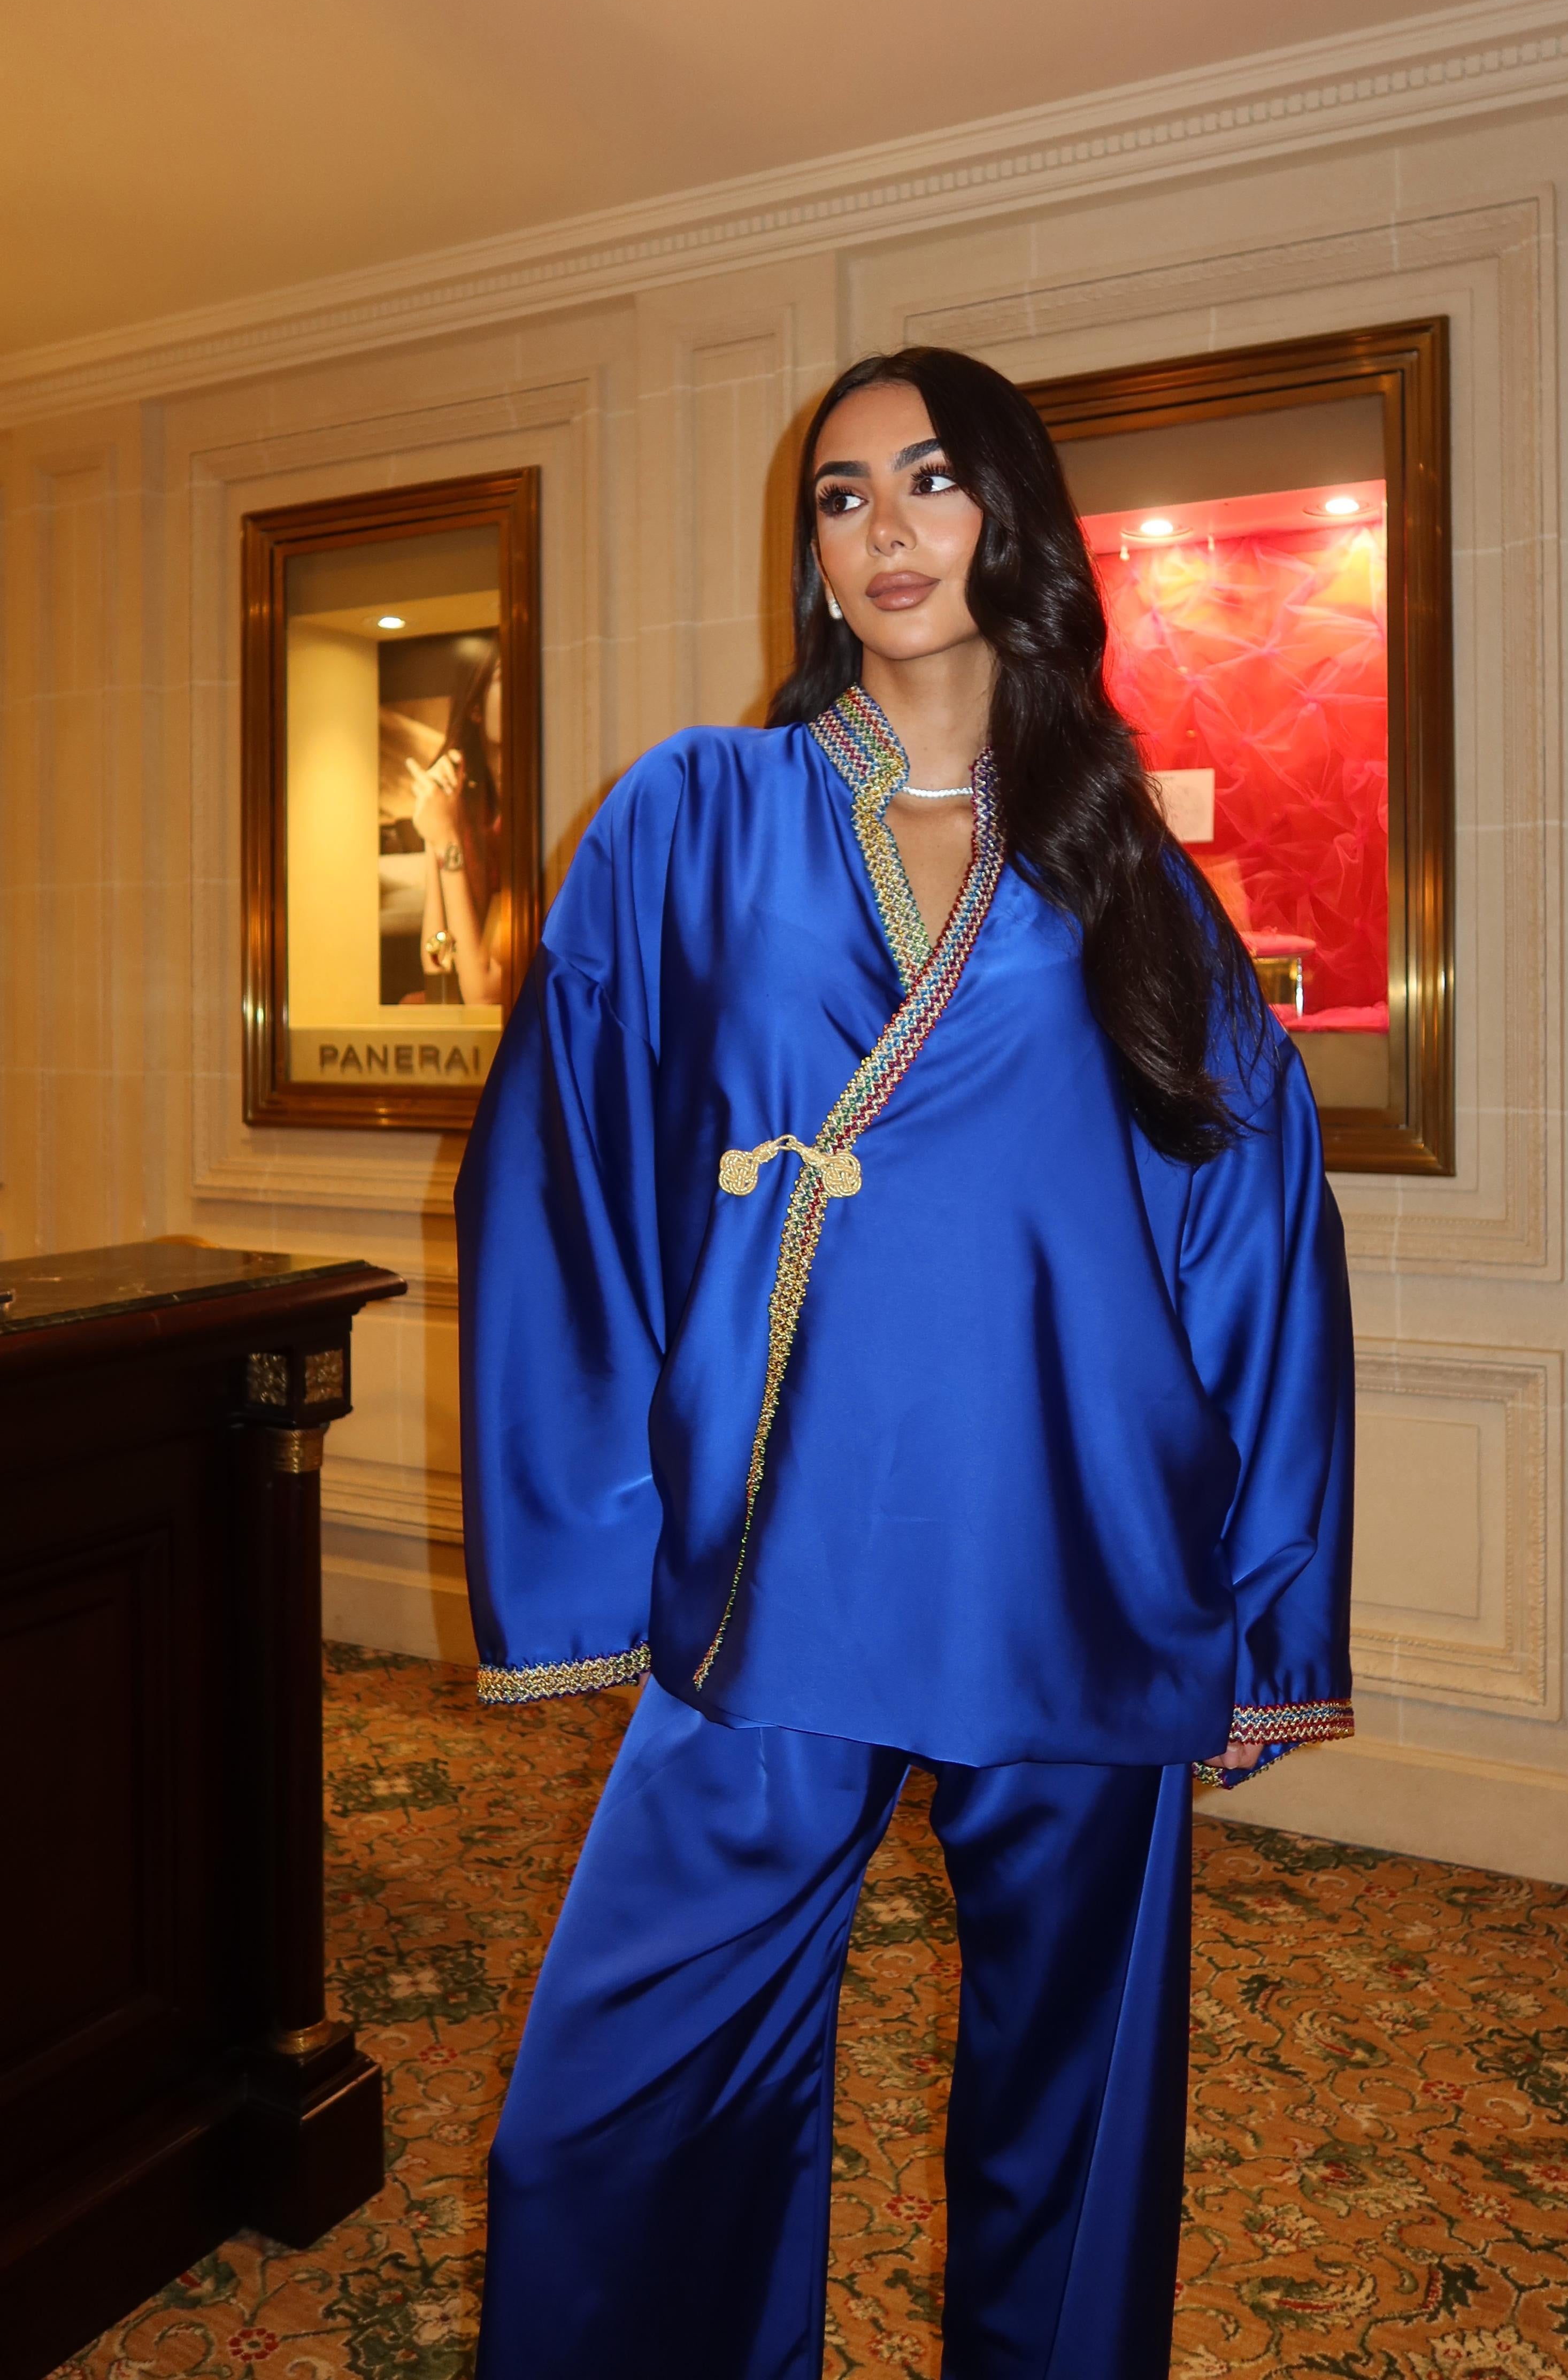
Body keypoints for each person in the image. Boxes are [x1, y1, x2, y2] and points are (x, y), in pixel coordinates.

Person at [456, 347, 1355, 2380]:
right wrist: (597, 1544)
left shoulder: (1123, 866)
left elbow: (1252, 1233)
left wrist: (1259, 1606)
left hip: (1082, 1556)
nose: (883, 531)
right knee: (609, 2100)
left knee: (1078, 2102)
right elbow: (565, 1164)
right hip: (792, 1553)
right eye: (841, 496)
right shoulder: (696, 813)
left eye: (931, 482)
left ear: (1013, 519)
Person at [408, 637, 504, 1004]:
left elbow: (484, 993)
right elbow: (437, 964)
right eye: (503, 678)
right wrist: (436, 835)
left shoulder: (528, 816)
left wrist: (447, 842)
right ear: (475, 708)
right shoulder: (472, 810)